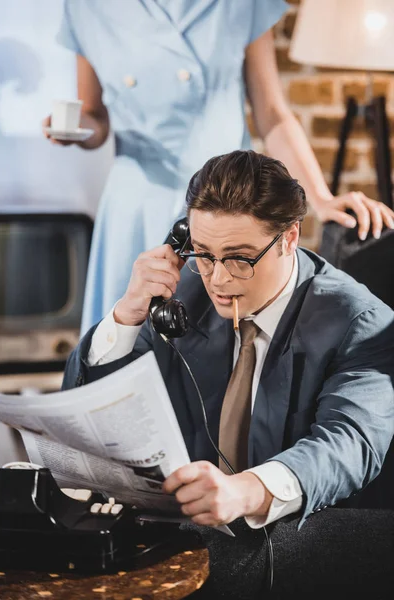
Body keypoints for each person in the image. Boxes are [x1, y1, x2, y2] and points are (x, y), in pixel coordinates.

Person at [63, 150, 394, 599]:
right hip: (183, 535)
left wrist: (245, 491)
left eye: (239, 258)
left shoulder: (360, 320)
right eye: (203, 253)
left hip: (295, 543)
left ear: (288, 237)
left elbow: (348, 444)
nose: (217, 279)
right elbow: (90, 405)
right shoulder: (186, 294)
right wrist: (127, 316)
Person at [43, 0, 394, 335]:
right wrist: (76, 132)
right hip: (138, 205)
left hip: (231, 201)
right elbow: (95, 117)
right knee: (128, 347)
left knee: (226, 348)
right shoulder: (85, 5)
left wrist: (321, 198)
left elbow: (271, 112)